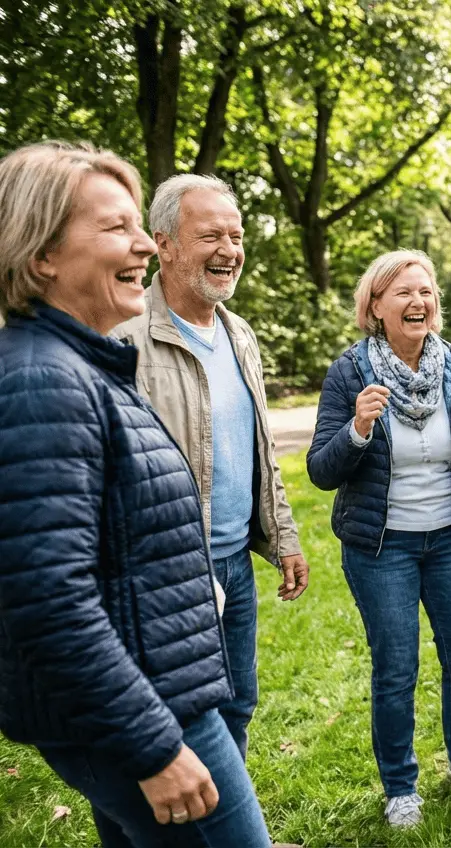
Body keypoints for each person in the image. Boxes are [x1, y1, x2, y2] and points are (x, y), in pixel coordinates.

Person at [0, 141, 271, 846]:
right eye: (115, 228)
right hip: (151, 712)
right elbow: (46, 599)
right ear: (41, 257)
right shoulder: (42, 382)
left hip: (161, 689)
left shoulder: (82, 365)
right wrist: (154, 746)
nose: (143, 247)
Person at [306, 249, 451, 829]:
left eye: (425, 291)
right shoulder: (352, 372)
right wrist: (357, 429)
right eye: (403, 292)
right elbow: (321, 470)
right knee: (397, 668)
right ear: (375, 306)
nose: (418, 301)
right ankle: (400, 785)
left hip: (450, 541)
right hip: (382, 549)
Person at [113, 174, 309, 763]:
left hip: (234, 564)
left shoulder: (238, 332)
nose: (229, 250)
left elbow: (260, 448)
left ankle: (227, 825)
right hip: (169, 568)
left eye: (237, 235)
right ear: (164, 244)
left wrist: (284, 536)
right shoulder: (126, 338)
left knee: (236, 704)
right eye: (210, 236)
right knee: (176, 720)